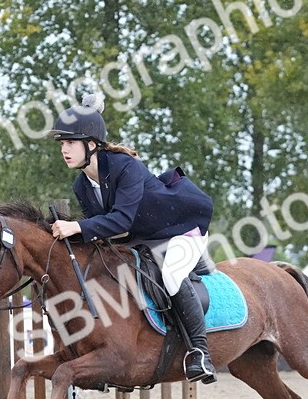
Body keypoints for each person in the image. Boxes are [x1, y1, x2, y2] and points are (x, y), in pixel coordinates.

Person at [47, 93, 218, 384]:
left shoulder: (125, 167)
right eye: (62, 144)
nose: (65, 150)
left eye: (71, 143)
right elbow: (103, 232)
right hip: (142, 237)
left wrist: (76, 227)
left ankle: (200, 353)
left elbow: (121, 220)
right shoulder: (81, 184)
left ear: (91, 145)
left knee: (172, 275)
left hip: (179, 228)